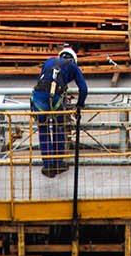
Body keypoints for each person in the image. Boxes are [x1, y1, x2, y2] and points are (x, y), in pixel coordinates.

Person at [31, 46, 89, 177]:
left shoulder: (49, 61)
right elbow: (83, 89)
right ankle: (58, 163)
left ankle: (47, 166)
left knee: (43, 129)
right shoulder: (73, 67)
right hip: (55, 97)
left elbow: (41, 78)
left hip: (39, 96)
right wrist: (79, 106)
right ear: (73, 59)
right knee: (59, 127)